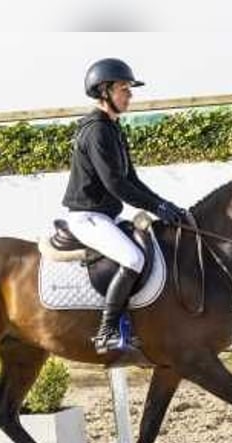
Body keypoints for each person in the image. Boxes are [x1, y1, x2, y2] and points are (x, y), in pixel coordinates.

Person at [62, 58, 186, 355]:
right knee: (133, 258)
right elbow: (115, 184)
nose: (129, 95)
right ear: (104, 92)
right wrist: (156, 206)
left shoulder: (114, 129)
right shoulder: (96, 131)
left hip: (105, 216)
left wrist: (163, 204)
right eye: (123, 89)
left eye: (129, 89)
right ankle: (105, 333)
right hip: (87, 216)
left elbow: (132, 179)